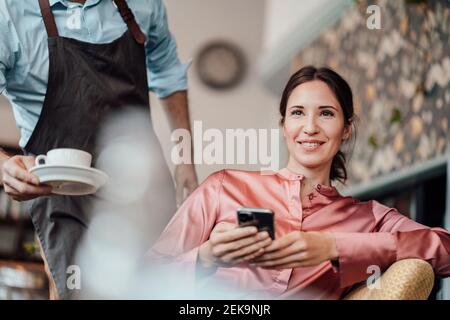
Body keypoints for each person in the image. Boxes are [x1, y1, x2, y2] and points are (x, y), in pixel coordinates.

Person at [149, 66, 450, 299]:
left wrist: (334, 246)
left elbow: (446, 249)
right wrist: (206, 256)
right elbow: (146, 276)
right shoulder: (223, 187)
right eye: (297, 113)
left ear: (346, 129)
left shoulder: (368, 217)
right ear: (283, 126)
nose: (309, 127)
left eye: (326, 114)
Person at [0, 0, 198, 299]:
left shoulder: (142, 5)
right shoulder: (9, 14)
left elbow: (168, 70)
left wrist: (184, 160)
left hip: (139, 191)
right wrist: (3, 164)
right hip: (60, 195)